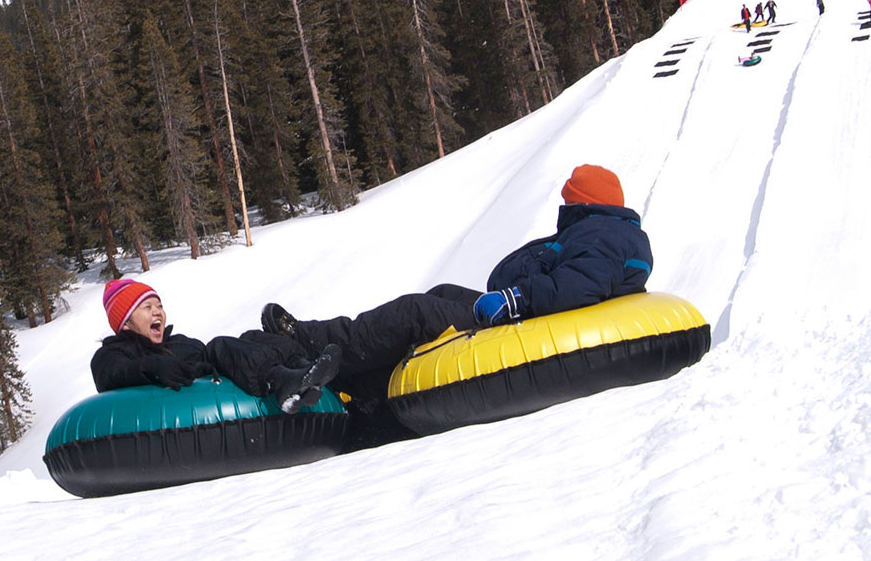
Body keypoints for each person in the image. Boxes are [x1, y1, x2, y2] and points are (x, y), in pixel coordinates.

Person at [261, 164, 653, 405]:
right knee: (443, 295)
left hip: (530, 319)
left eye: (569, 203)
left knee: (416, 312)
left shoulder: (600, 234)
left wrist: (517, 298)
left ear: (583, 203)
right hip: (532, 314)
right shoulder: (610, 232)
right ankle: (364, 381)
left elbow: (576, 286)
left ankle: (311, 340)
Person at [91, 278, 340, 414]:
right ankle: (282, 381)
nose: (158, 312)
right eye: (147, 308)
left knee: (251, 336)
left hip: (214, 380)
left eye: (159, 306)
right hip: (180, 408)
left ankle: (304, 369)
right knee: (220, 345)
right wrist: (152, 366)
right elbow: (110, 375)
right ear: (125, 323)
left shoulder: (179, 342)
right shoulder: (113, 354)